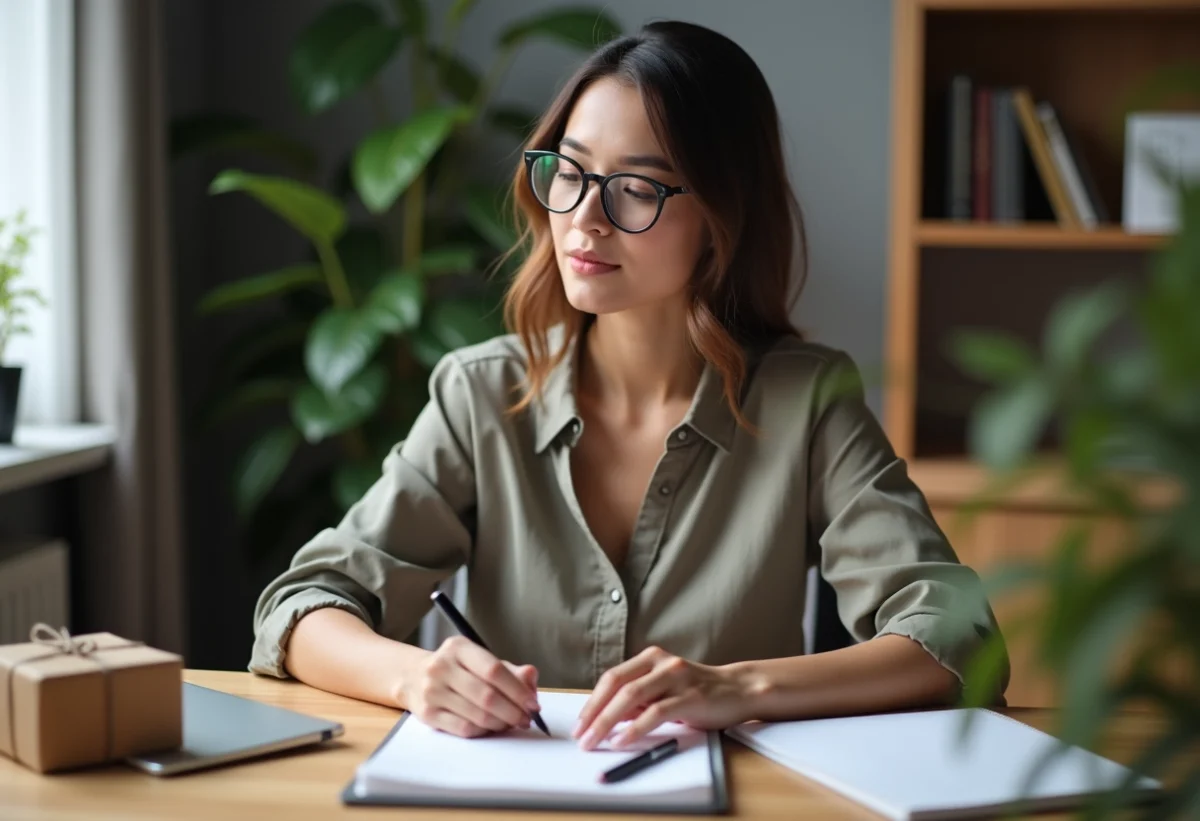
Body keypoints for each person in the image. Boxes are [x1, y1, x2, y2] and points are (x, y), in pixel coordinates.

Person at [250, 19, 1008, 751]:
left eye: (637, 189)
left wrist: (738, 689)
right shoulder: (480, 392)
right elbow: (301, 606)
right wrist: (417, 675)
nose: (584, 218)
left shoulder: (804, 403)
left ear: (721, 217)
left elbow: (957, 638)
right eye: (569, 171)